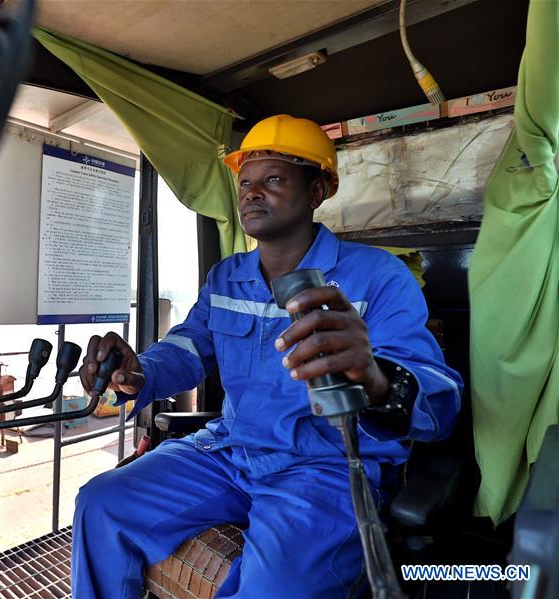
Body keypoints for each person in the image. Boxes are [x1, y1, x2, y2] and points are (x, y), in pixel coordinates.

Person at [71, 114, 463, 598]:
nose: (253, 193)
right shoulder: (225, 276)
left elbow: (439, 402)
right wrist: (137, 372)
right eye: (245, 182)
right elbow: (189, 346)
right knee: (101, 503)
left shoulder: (378, 276)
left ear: (317, 191)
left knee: (274, 587)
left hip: (325, 467)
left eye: (273, 179)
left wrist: (376, 376)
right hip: (229, 452)